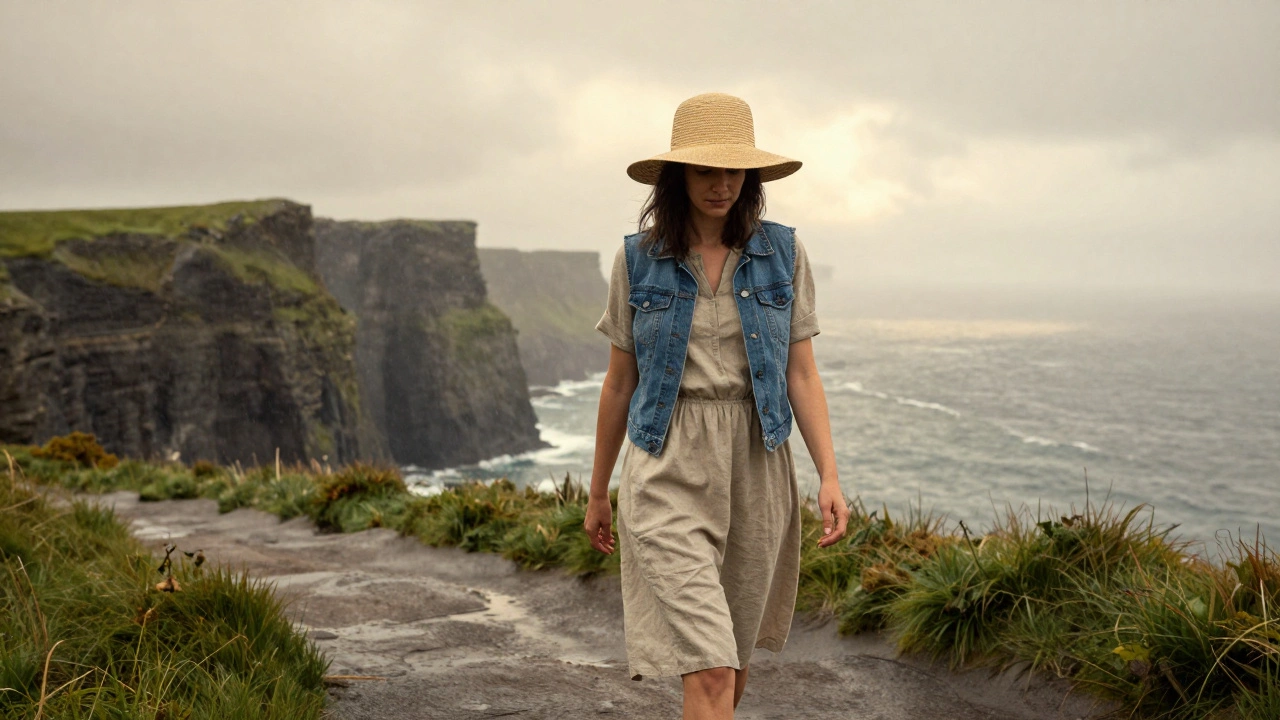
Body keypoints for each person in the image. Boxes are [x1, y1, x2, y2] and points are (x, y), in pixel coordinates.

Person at [584, 92, 850, 719]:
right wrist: (599, 491)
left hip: (757, 463)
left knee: (732, 662)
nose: (722, 183)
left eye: (735, 170)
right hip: (667, 463)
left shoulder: (784, 254)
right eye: (707, 169)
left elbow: (801, 375)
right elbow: (619, 383)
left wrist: (830, 476)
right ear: (678, 176)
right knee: (707, 668)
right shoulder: (637, 259)